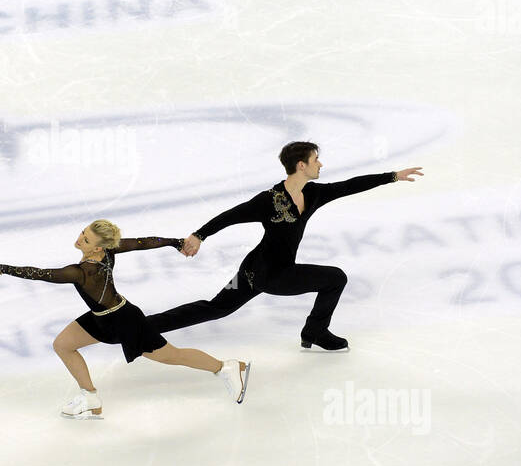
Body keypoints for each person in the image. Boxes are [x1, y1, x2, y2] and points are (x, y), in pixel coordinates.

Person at [146, 142, 424, 351]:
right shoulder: (269, 200)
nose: (321, 165)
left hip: (254, 270)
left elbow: (349, 185)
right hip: (269, 275)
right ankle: (315, 332)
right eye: (316, 159)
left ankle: (144, 326)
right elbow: (232, 215)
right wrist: (199, 235)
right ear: (301, 165)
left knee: (215, 308)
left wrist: (392, 176)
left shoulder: (313, 193)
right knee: (335, 278)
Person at [0, 219, 250, 419]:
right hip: (100, 318)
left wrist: (3, 268)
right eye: (82, 233)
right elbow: (144, 242)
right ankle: (91, 398)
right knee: (63, 344)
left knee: (170, 356)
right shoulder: (108, 251)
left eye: (85, 240)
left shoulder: (81, 271)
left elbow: (41, 274)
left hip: (125, 321)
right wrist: (173, 242)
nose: (79, 239)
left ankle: (225, 367)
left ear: (97, 250)